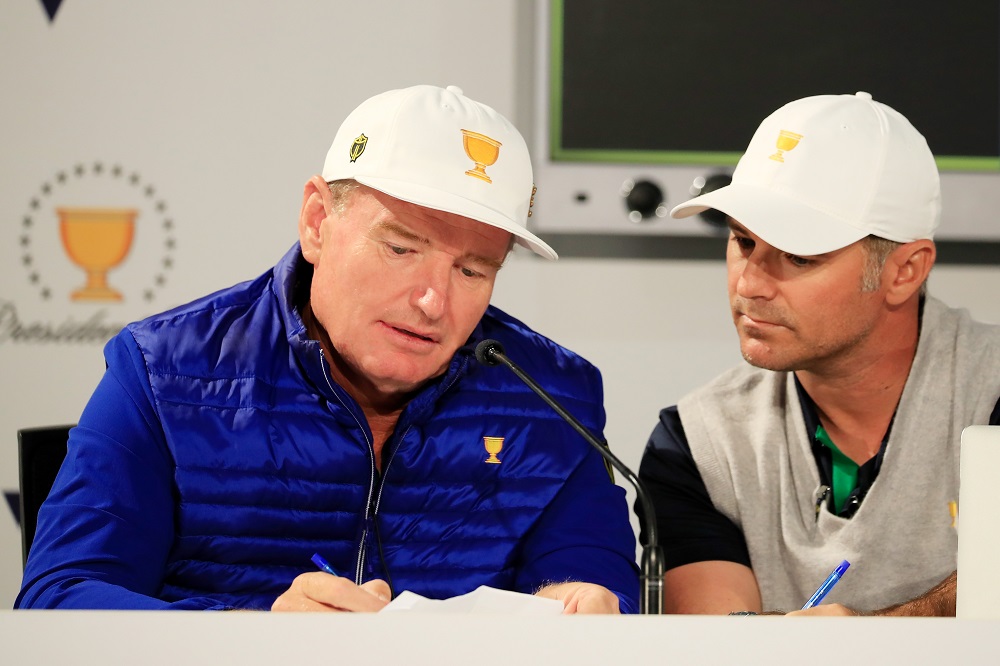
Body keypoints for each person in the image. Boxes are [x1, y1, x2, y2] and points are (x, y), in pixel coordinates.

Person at [16, 84, 640, 613]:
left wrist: (584, 603)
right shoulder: (166, 370)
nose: (433, 301)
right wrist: (260, 636)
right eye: (401, 248)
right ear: (318, 220)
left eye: (474, 271)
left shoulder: (551, 396)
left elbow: (594, 583)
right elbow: (60, 599)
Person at [636, 91, 1000, 616]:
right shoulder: (695, 445)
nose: (751, 284)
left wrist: (882, 634)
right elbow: (721, 649)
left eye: (800, 257)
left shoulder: (989, 390)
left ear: (905, 271)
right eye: (742, 242)